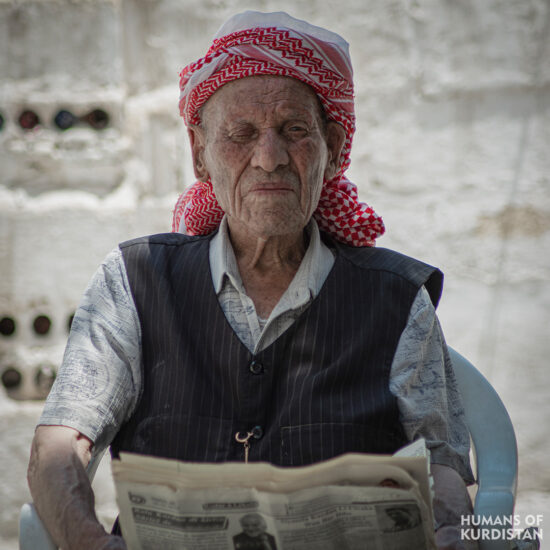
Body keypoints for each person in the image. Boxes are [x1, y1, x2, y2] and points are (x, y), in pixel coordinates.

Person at [27, 11, 477, 550]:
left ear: (331, 148)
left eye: (294, 131)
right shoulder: (134, 281)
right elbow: (59, 446)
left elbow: (444, 472)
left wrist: (454, 535)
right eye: (240, 134)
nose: (269, 158)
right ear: (200, 154)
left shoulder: (397, 298)